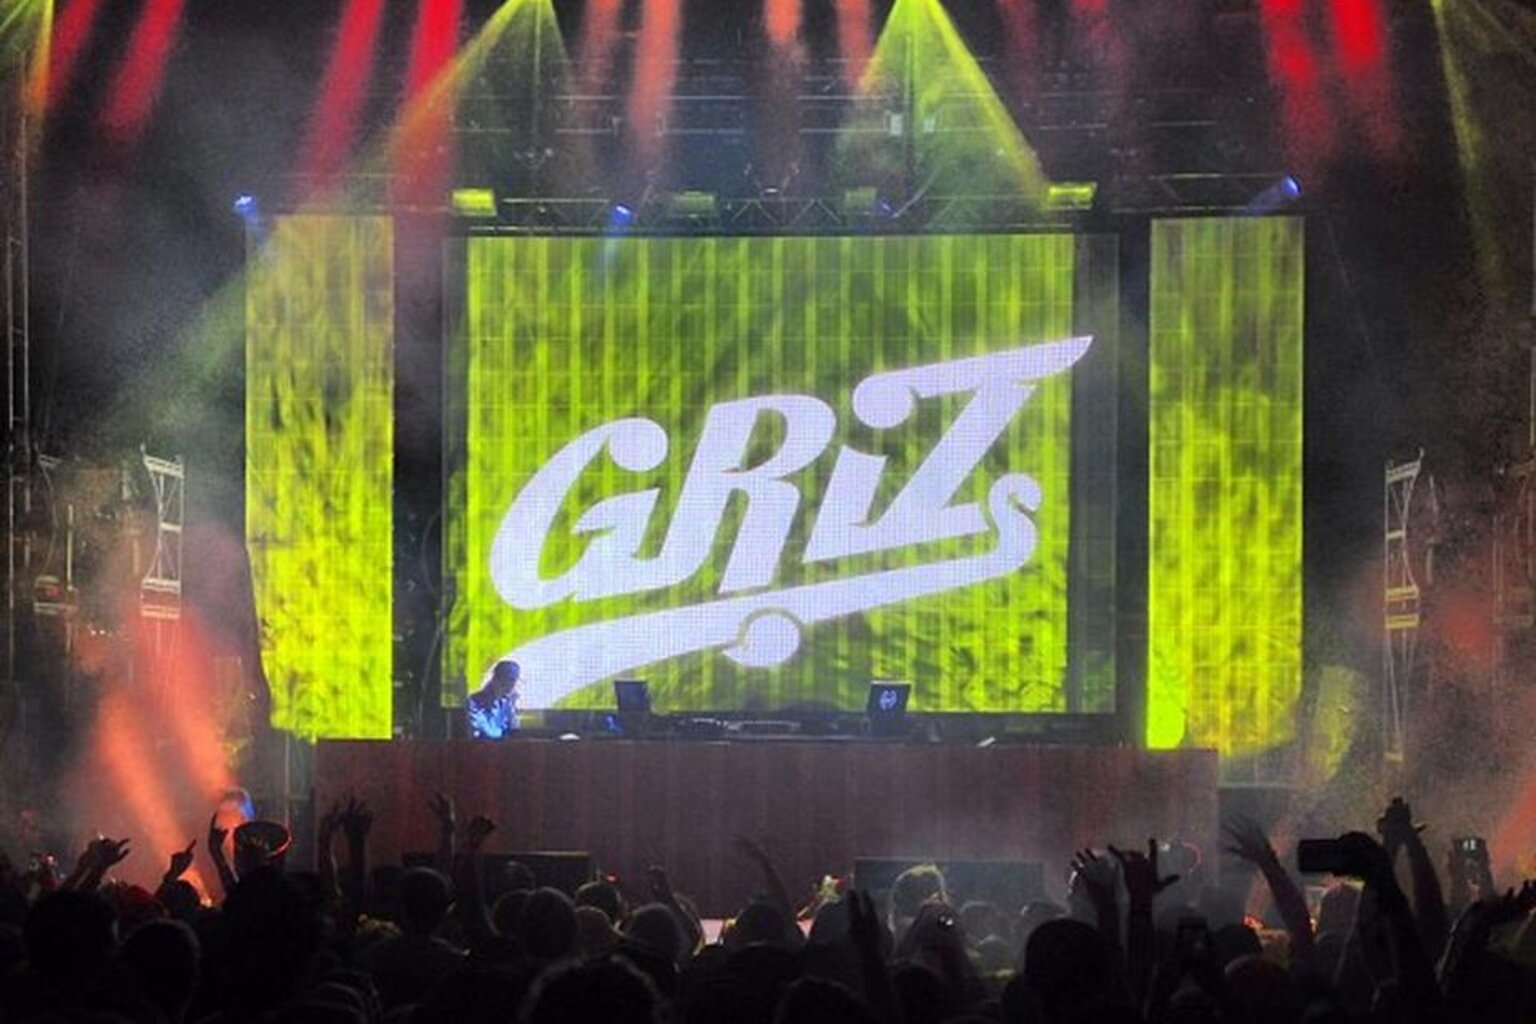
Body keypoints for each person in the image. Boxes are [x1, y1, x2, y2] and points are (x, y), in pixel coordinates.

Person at [467, 659, 521, 739]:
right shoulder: (474, 702)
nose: (512, 685)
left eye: (514, 681)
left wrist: (512, 708)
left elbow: (514, 731)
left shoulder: (507, 703)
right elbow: (488, 733)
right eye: (509, 680)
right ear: (496, 680)